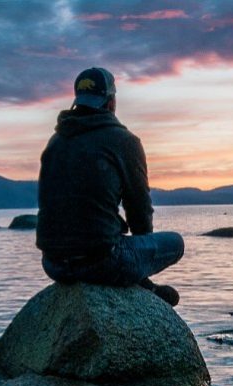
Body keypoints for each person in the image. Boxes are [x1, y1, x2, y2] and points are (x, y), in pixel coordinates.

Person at [36, 67, 183, 306]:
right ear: (111, 102)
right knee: (175, 243)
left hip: (53, 264)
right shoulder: (123, 141)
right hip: (102, 262)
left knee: (111, 240)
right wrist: (139, 262)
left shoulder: (56, 141)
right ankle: (144, 287)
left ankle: (143, 285)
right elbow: (139, 210)